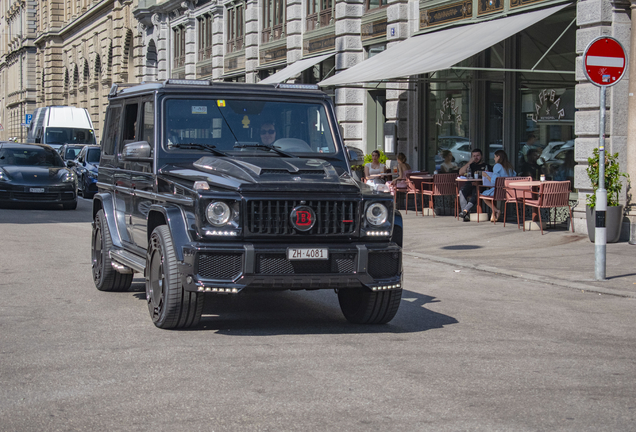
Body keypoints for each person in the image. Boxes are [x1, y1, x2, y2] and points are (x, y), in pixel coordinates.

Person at [481, 150, 516, 222]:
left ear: (498, 157)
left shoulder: (497, 166)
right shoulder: (509, 167)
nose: (494, 159)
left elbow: (494, 182)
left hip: (498, 192)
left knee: (483, 196)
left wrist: (486, 176)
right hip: (509, 192)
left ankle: (496, 210)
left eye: (495, 157)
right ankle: (496, 212)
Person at [457, 148, 490, 222]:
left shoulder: (486, 166)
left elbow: (490, 178)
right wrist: (469, 162)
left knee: (476, 192)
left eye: (478, 155)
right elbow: (461, 172)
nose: (476, 157)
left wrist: (479, 182)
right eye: (474, 156)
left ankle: (465, 211)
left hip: (481, 186)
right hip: (470, 185)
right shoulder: (470, 165)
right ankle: (465, 215)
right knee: (462, 191)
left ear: (481, 156)